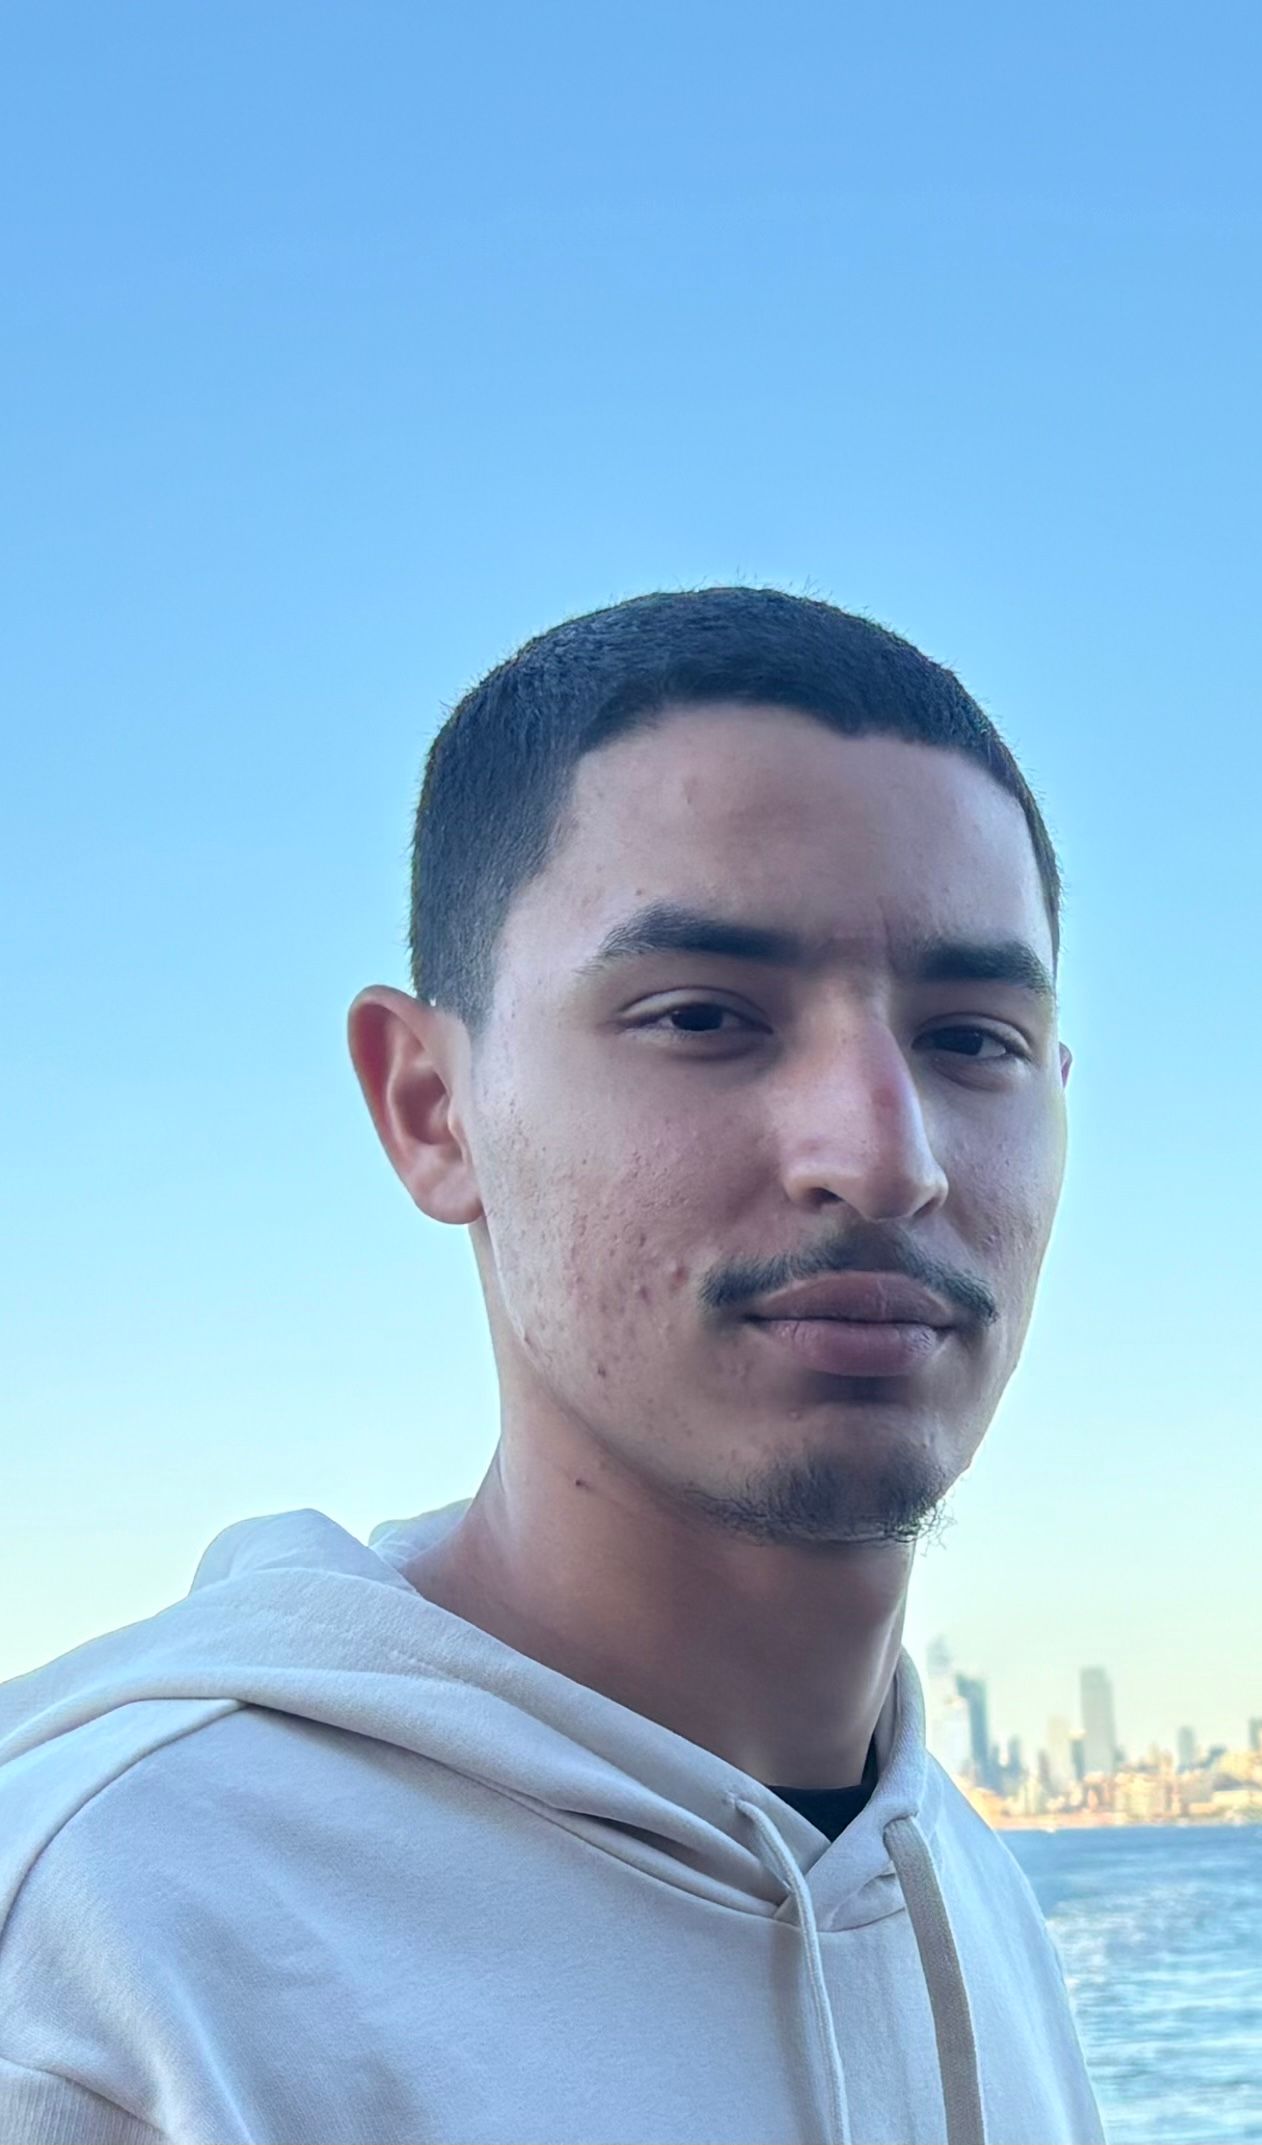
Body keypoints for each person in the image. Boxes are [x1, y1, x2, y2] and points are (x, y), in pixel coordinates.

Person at [0, 587, 1105, 2145]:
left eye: (973, 1038)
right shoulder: (109, 1966)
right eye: (703, 1014)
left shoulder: (965, 1905)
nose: (883, 1154)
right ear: (431, 1108)